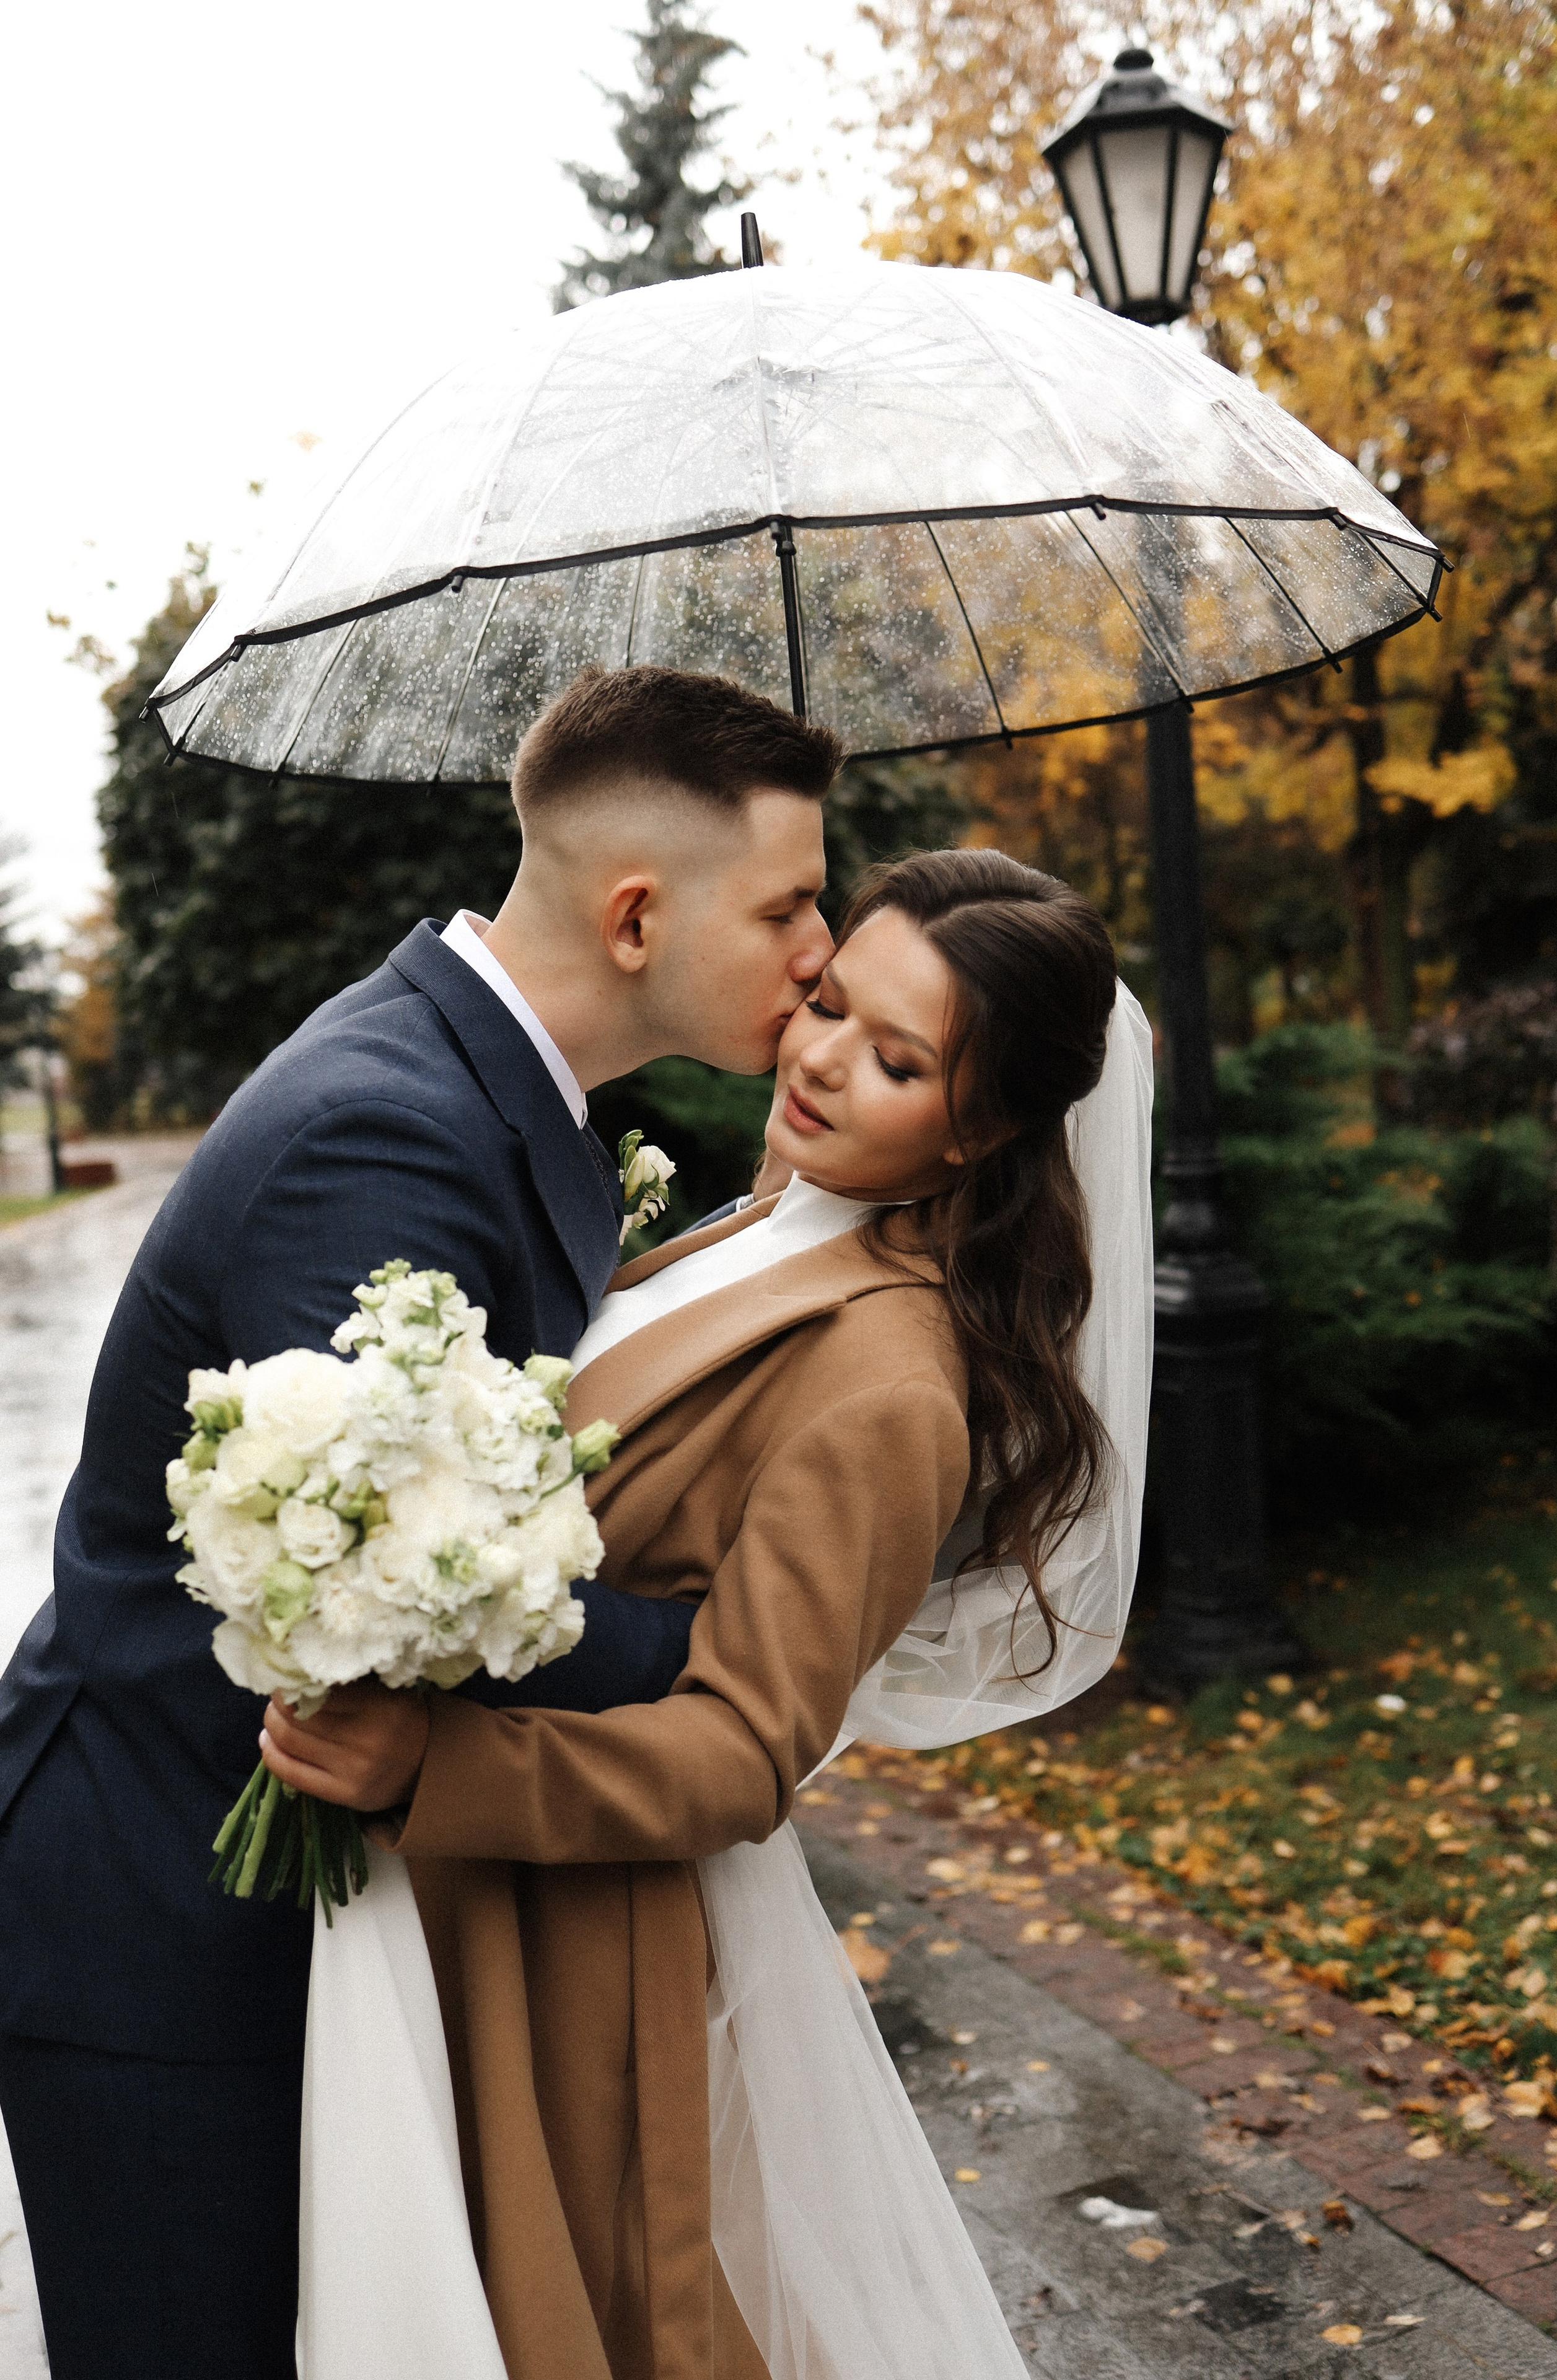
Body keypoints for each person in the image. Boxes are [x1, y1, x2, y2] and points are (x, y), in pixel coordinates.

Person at [0, 665, 843, 2380]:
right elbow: (389, 1588)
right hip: (161, 1912)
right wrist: (740, 1651)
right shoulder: (386, 1130)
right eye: (789, 904)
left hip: (265, 1891)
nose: (821, 948)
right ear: (633, 914)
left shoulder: (483, 1083)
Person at [259, 848, 1155, 2380]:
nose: (815, 1060)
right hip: (457, 1891)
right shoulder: (761, 1220)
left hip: (563, 1929)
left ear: (983, 1127)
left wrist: (432, 1773)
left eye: (894, 1060)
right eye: (826, 1002)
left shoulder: (892, 1383)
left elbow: (745, 1753)